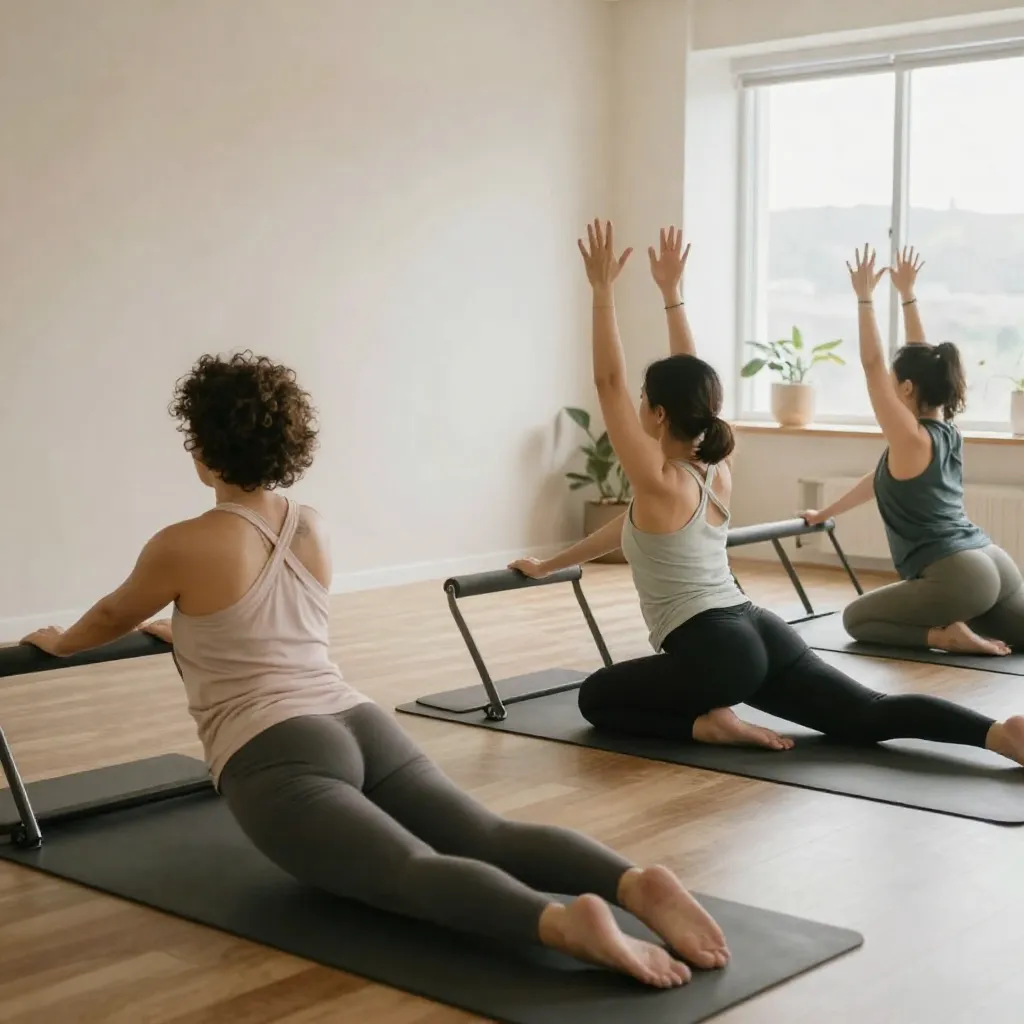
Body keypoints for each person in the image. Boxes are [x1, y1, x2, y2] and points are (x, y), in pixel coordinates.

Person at [19, 350, 731, 990]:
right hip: (353, 719)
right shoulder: (311, 525)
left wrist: (61, 641)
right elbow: (263, 624)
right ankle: (631, 881)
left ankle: (561, 925)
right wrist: (185, 632)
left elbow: (110, 615)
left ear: (203, 451)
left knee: (404, 873)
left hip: (272, 751)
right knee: (484, 832)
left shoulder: (184, 543)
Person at [511, 221, 1024, 765]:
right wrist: (549, 565)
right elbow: (632, 524)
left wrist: (601, 293)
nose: (632, 402)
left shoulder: (659, 481)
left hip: (715, 653)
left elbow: (608, 383)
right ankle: (999, 735)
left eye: (644, 398)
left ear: (659, 414)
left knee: (596, 697)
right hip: (760, 628)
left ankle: (706, 723)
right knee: (866, 712)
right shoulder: (715, 467)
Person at [802, 246, 1024, 655]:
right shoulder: (944, 432)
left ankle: (945, 635)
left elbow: (871, 364)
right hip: (993, 561)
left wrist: (865, 298)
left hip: (958, 577)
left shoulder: (910, 438)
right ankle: (960, 625)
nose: (885, 382)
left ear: (905, 388)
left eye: (893, 379)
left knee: (857, 619)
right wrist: (907, 295)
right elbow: (879, 481)